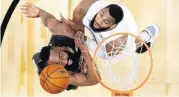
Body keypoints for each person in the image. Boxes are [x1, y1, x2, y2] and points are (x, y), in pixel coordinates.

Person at [21, 3, 100, 90]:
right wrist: (85, 53)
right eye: (58, 64)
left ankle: (36, 59)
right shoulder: (61, 74)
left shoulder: (63, 31)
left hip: (57, 56)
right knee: (70, 86)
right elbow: (95, 79)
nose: (65, 61)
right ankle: (41, 64)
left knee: (78, 13)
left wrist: (40, 12)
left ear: (59, 47)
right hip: (61, 72)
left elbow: (47, 19)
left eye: (61, 56)